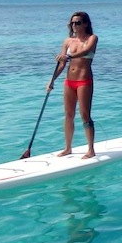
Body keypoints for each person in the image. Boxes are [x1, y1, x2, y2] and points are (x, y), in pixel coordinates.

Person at [48, 11, 98, 158]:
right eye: (72, 23)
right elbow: (62, 64)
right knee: (68, 115)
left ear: (86, 24)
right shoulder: (68, 41)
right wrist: (52, 80)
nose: (74, 25)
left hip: (84, 81)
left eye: (78, 23)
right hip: (69, 81)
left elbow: (86, 51)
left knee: (85, 115)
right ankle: (68, 148)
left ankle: (91, 149)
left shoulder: (92, 38)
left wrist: (68, 56)